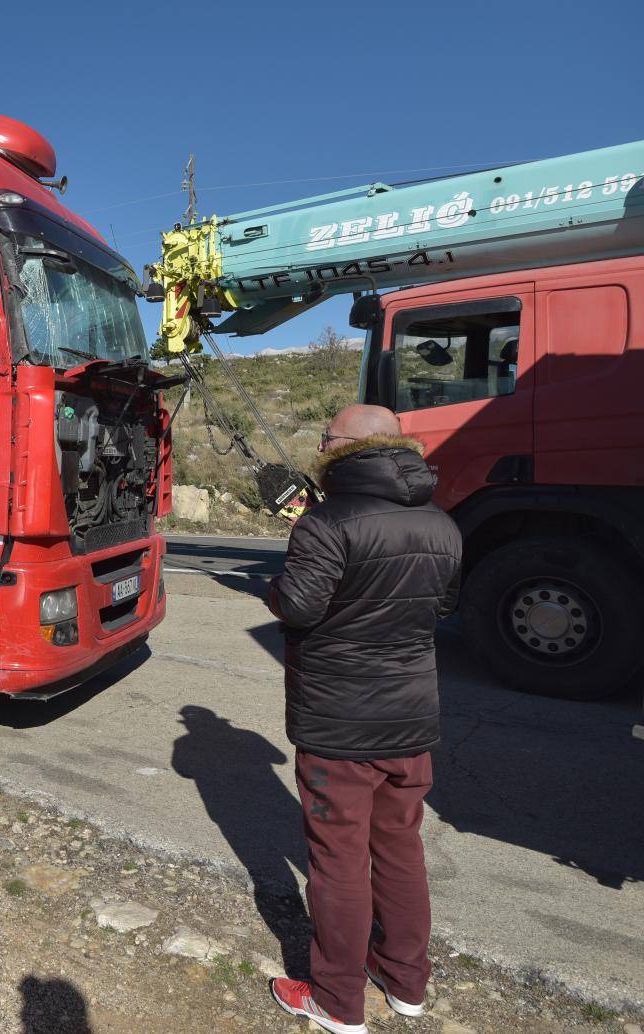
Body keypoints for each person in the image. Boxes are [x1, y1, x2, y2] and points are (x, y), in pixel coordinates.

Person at [265, 404, 462, 1034]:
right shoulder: (441, 522)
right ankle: (406, 984)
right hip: (411, 719)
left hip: (339, 724)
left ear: (346, 447)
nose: (319, 442)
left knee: (338, 861)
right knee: (401, 849)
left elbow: (296, 607)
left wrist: (279, 577)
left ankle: (336, 1000)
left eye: (326, 436)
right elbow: (445, 605)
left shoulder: (326, 522)